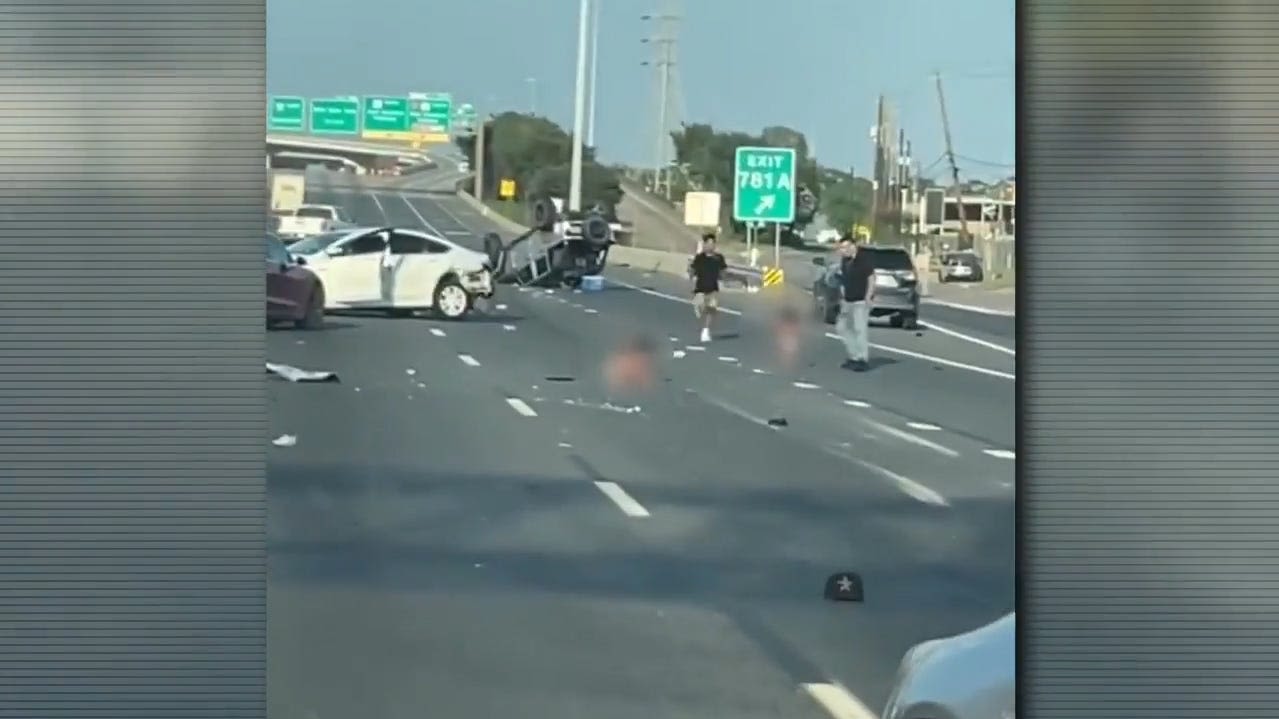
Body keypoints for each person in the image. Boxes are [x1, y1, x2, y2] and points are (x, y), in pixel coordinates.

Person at [836, 236, 875, 371]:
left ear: (853, 246)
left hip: (860, 301)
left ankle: (862, 359)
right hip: (847, 300)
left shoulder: (863, 260)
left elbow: (871, 278)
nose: (843, 250)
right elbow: (843, 279)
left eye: (846, 247)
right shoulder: (845, 261)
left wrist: (868, 296)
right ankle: (854, 356)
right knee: (841, 327)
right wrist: (842, 295)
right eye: (841, 248)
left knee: (860, 329)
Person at [688, 233, 727, 343]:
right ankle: (700, 313)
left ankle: (705, 330)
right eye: (708, 243)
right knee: (701, 310)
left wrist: (725, 280)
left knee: (711, 309)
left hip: (713, 288)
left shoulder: (719, 258)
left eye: (713, 244)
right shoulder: (699, 257)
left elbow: (723, 271)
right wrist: (690, 277)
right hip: (700, 288)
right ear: (704, 244)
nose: (711, 246)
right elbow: (693, 270)